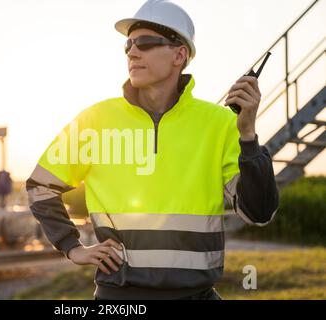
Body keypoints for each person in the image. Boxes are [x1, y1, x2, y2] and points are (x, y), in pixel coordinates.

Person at [26, 0, 279, 300]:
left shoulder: (222, 124)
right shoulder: (94, 121)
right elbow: (40, 186)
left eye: (144, 43)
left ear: (179, 54)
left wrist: (248, 135)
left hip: (197, 295)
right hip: (119, 298)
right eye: (128, 45)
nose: (132, 52)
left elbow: (259, 213)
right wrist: (72, 247)